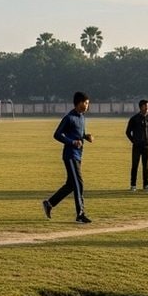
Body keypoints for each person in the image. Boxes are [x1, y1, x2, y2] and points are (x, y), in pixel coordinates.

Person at [42, 91, 93, 223]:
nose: (88, 105)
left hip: (78, 154)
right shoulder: (69, 117)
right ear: (80, 103)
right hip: (70, 155)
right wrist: (72, 142)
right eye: (86, 103)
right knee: (79, 184)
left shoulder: (82, 117)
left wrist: (85, 136)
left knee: (71, 185)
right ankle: (80, 214)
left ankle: (49, 203)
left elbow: (78, 134)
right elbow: (57, 134)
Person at [125, 99, 148, 191]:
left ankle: (146, 184)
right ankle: (133, 185)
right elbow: (127, 132)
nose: (147, 108)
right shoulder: (134, 119)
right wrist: (134, 141)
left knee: (146, 167)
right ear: (141, 107)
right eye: (145, 106)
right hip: (137, 146)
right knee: (135, 165)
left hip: (146, 146)